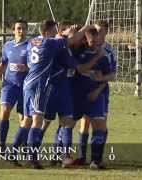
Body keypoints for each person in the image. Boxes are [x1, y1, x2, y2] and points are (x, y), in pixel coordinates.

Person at [23, 19, 95, 169]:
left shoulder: (32, 41)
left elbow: (29, 62)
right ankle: (31, 157)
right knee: (38, 122)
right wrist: (84, 28)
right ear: (50, 31)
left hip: (31, 83)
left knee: (59, 121)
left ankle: (62, 156)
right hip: (43, 86)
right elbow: (72, 42)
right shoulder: (53, 44)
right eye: (55, 29)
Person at [0, 18, 31, 166]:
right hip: (9, 85)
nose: (21, 31)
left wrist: (27, 68)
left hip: (25, 87)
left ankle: (24, 147)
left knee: (23, 119)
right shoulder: (8, 45)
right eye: (18, 28)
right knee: (4, 111)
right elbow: (3, 63)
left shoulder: (31, 45)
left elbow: (36, 64)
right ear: (14, 30)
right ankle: (1, 147)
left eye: (24, 28)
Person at [73, 21, 117, 168]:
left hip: (99, 94)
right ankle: (80, 156)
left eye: (101, 31)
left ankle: (96, 159)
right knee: (82, 123)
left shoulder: (108, 51)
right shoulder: (83, 48)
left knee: (99, 125)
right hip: (81, 93)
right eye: (96, 31)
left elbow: (111, 75)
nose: (98, 35)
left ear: (106, 33)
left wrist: (100, 81)